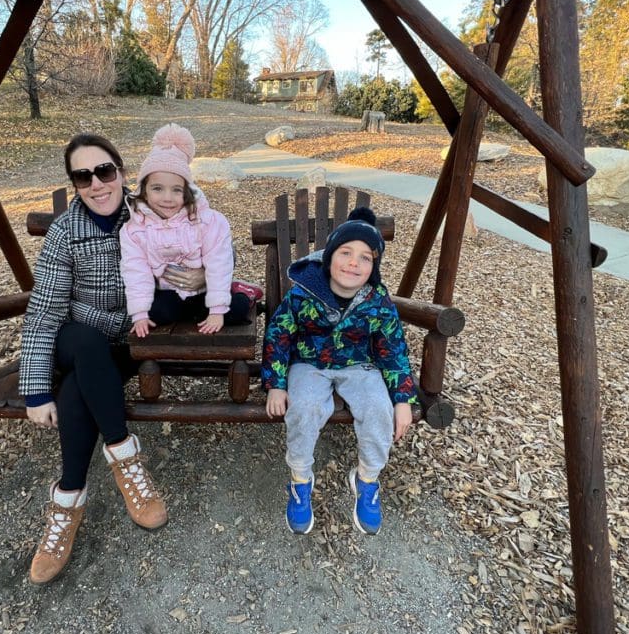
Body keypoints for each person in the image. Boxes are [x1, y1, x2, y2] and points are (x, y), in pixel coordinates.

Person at [19, 133, 206, 585]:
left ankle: (67, 502)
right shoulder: (66, 233)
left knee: (81, 387)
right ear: (76, 184)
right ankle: (127, 460)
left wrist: (200, 277)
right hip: (76, 336)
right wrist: (35, 389)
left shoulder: (148, 214)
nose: (96, 184)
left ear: (122, 173)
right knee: (83, 343)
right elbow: (45, 310)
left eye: (104, 171)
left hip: (125, 340)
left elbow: (207, 238)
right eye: (83, 177)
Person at [261, 207, 418, 535]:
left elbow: (393, 350)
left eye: (365, 258)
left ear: (373, 267)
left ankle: (367, 479)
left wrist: (402, 399)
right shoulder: (304, 293)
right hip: (310, 364)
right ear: (329, 257)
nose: (353, 263)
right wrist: (276, 384)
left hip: (360, 365)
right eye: (346, 253)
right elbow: (280, 335)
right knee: (304, 407)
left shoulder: (376, 300)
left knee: (379, 408)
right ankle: (300, 479)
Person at [120, 123, 252, 338]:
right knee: (157, 312)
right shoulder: (135, 229)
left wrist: (217, 310)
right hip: (169, 292)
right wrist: (140, 313)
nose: (167, 198)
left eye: (176, 190)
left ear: (187, 192)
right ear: (143, 190)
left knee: (236, 309)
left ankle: (242, 292)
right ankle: (191, 313)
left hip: (204, 290)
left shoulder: (207, 221)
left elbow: (219, 260)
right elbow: (135, 270)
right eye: (157, 188)